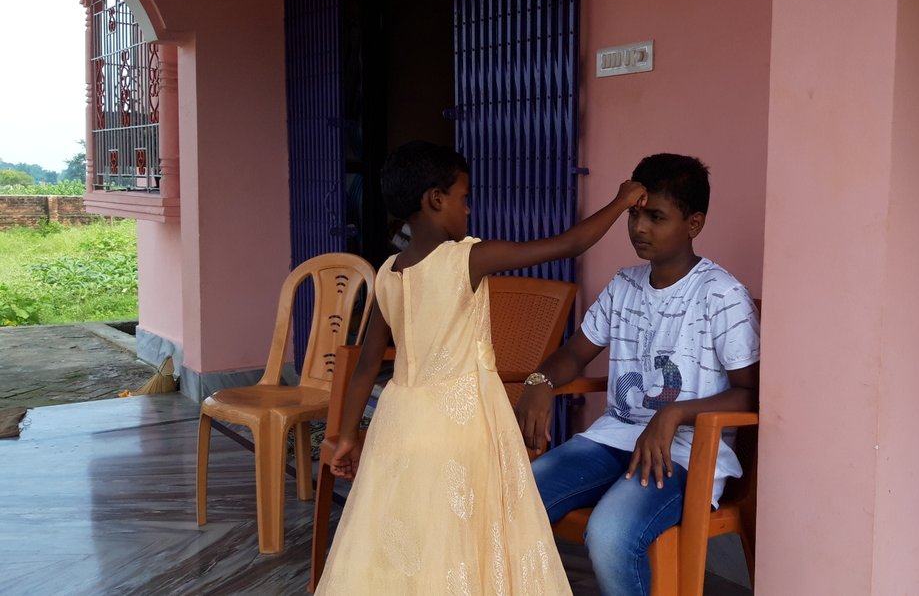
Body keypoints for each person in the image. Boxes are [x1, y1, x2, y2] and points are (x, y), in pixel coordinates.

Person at [315, 140, 646, 594]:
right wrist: (622, 201)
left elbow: (367, 364)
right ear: (435, 200)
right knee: (470, 533)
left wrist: (350, 435)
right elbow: (569, 243)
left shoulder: (390, 271)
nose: (468, 210)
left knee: (415, 535)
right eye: (463, 198)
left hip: (400, 424)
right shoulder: (467, 258)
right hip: (463, 424)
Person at [515, 153, 760, 596]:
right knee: (516, 496)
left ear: (694, 224)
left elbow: (749, 394)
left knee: (610, 533)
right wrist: (539, 381)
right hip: (614, 439)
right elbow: (574, 352)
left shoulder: (722, 295)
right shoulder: (624, 285)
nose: (639, 227)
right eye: (634, 214)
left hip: (685, 457)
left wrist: (672, 416)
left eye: (656, 217)